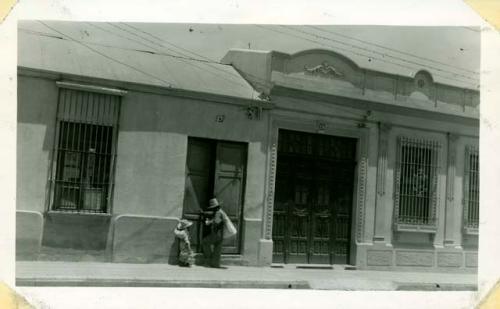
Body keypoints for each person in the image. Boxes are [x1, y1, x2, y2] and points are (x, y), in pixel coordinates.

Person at [201, 198, 225, 268]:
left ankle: (208, 261)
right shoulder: (221, 211)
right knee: (217, 248)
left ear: (215, 207)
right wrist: (204, 213)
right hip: (220, 234)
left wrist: (209, 222)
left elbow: (217, 222)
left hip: (216, 233)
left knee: (205, 242)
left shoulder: (218, 213)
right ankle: (215, 264)